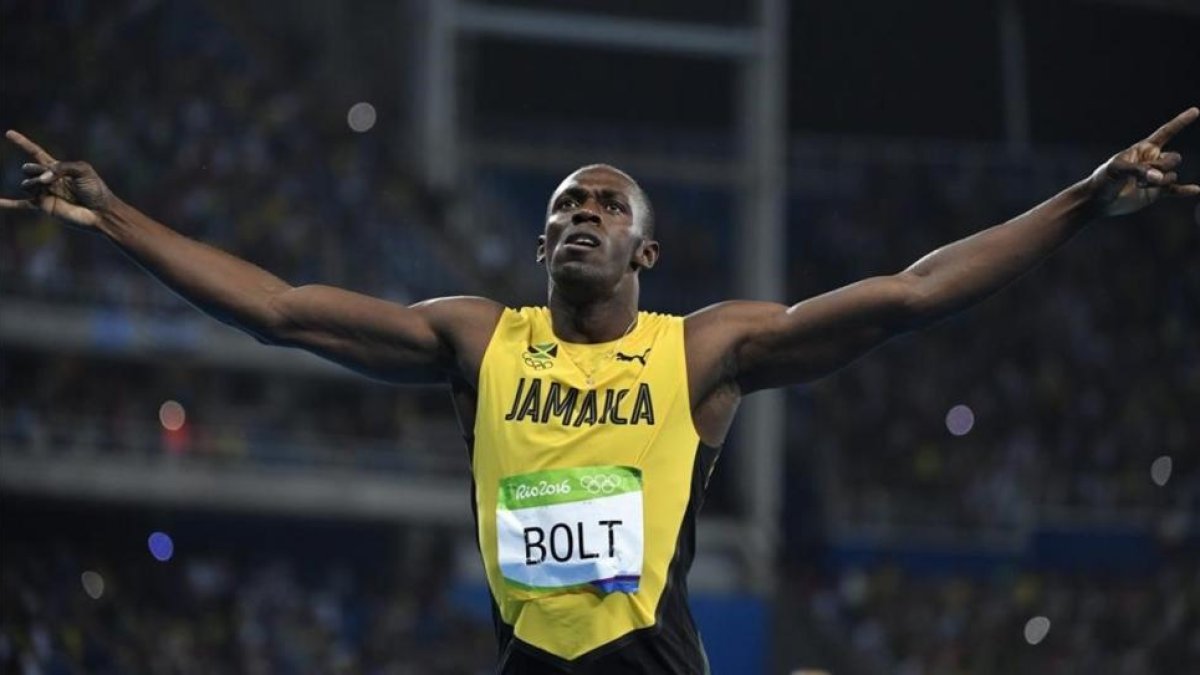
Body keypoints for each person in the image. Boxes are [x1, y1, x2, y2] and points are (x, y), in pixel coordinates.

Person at [2, 108, 1197, 673]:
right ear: (540, 246)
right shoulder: (479, 340)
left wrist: (1082, 201)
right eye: (565, 205)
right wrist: (114, 216)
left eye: (608, 205)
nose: (583, 213)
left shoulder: (704, 352)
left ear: (645, 252)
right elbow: (278, 308)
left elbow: (911, 293)